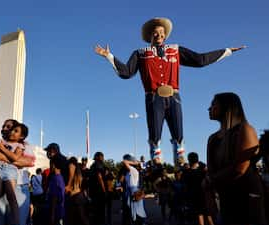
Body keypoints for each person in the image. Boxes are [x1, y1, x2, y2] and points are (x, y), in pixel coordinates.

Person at [95, 17, 245, 164]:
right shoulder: (140, 53)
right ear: (149, 36)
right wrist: (108, 56)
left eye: (162, 32)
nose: (159, 35)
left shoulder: (175, 50)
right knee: (155, 136)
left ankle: (180, 162)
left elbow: (200, 60)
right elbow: (126, 72)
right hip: (154, 98)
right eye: (155, 32)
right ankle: (156, 162)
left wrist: (227, 51)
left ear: (165, 35)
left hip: (174, 97)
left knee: (179, 136)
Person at [207, 92, 266, 225]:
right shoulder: (213, 139)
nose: (209, 108)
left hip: (247, 197)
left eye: (214, 105)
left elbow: (240, 169)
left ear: (227, 108)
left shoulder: (244, 130)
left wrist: (212, 181)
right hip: (227, 198)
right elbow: (211, 171)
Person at [44, 156, 71, 225]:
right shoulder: (60, 178)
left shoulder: (55, 179)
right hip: (59, 212)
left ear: (54, 165)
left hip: (55, 212)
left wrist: (52, 214)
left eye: (50, 164)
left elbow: (54, 198)